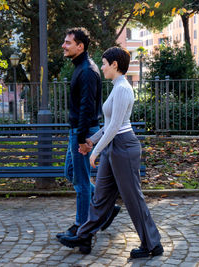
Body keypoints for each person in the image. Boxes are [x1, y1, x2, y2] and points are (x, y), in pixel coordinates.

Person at [59, 46, 163, 258]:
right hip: (114, 146)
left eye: (105, 63)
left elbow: (116, 126)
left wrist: (95, 151)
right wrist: (90, 141)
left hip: (123, 146)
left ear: (115, 65)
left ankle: (152, 244)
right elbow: (108, 126)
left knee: (133, 198)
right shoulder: (116, 87)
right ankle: (83, 234)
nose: (102, 67)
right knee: (101, 196)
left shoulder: (123, 88)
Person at [56, 28, 121, 240]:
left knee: (81, 183)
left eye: (68, 43)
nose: (64, 46)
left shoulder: (86, 71)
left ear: (80, 46)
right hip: (77, 130)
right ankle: (107, 209)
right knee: (72, 173)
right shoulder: (81, 67)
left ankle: (80, 227)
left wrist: (84, 139)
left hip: (82, 131)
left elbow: (87, 107)